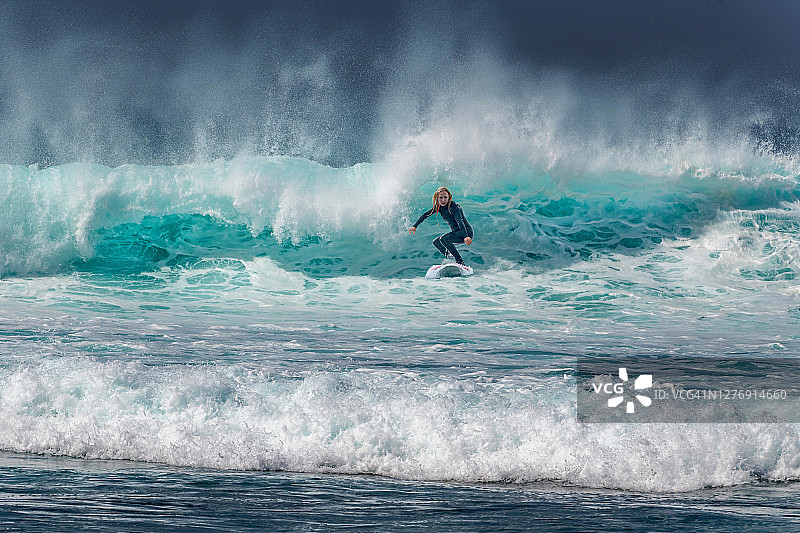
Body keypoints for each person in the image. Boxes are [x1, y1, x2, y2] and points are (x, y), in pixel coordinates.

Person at [409, 186, 473, 265]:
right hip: (457, 233)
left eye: (445, 197)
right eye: (441, 197)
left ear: (449, 197)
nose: (443, 200)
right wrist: (415, 226)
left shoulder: (454, 207)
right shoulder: (438, 207)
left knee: (444, 239)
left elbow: (459, 221)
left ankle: (460, 262)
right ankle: (450, 257)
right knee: (436, 242)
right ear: (437, 198)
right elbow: (425, 215)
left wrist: (466, 236)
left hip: (466, 232)